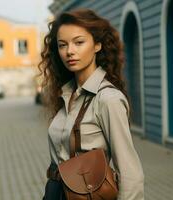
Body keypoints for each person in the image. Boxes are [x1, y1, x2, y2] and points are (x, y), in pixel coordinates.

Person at [38, 8, 144, 200]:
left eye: (79, 42)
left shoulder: (108, 99)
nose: (70, 51)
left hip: (84, 194)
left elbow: (131, 174)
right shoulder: (66, 94)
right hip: (55, 192)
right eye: (63, 45)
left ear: (97, 45)